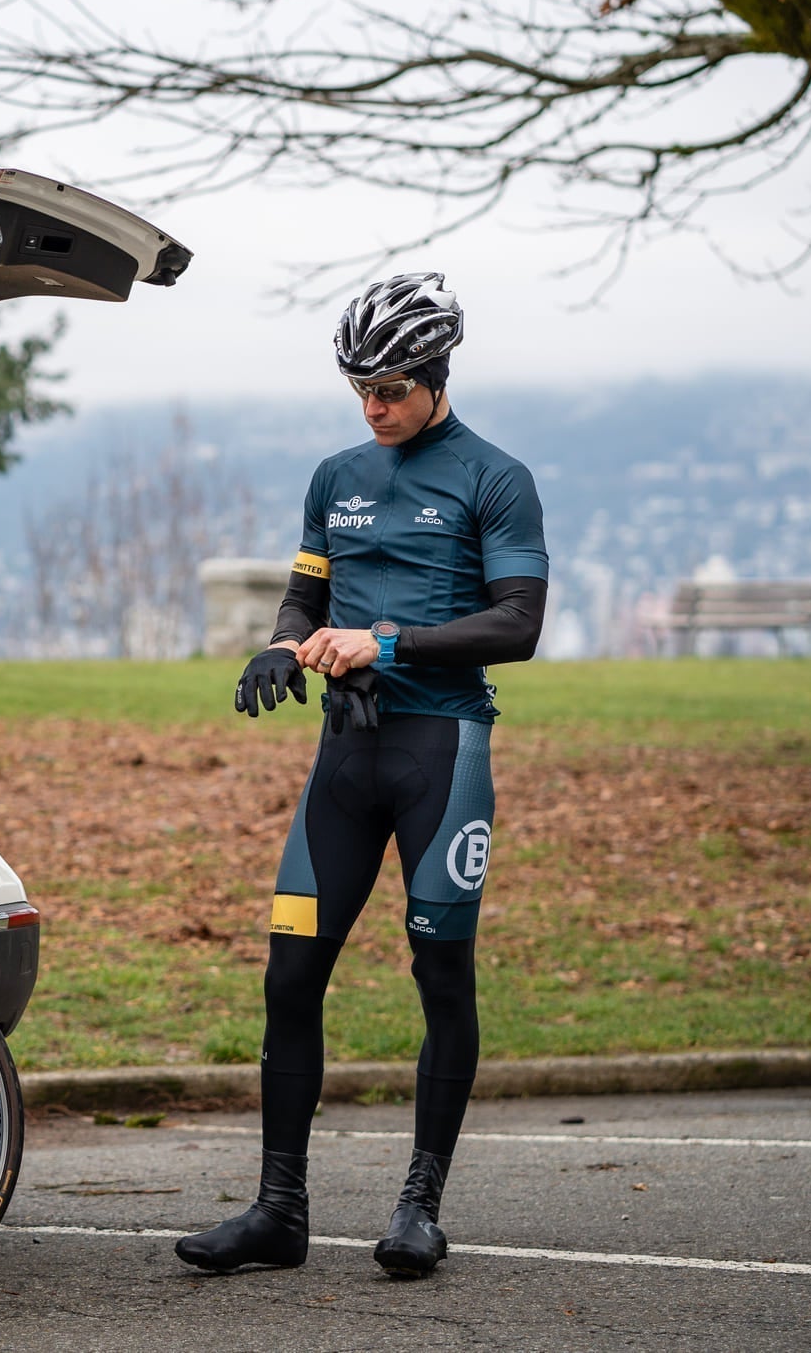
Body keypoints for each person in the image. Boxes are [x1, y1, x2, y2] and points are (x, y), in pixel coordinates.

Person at [176, 273, 548, 1279]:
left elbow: (516, 624)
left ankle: (419, 1208)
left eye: (387, 388)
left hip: (441, 753)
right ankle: (276, 1211)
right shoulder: (333, 472)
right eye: (358, 390)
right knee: (290, 972)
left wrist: (383, 645)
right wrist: (277, 644)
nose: (372, 407)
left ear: (433, 378)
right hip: (342, 759)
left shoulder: (492, 476)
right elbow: (305, 594)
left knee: (438, 973)